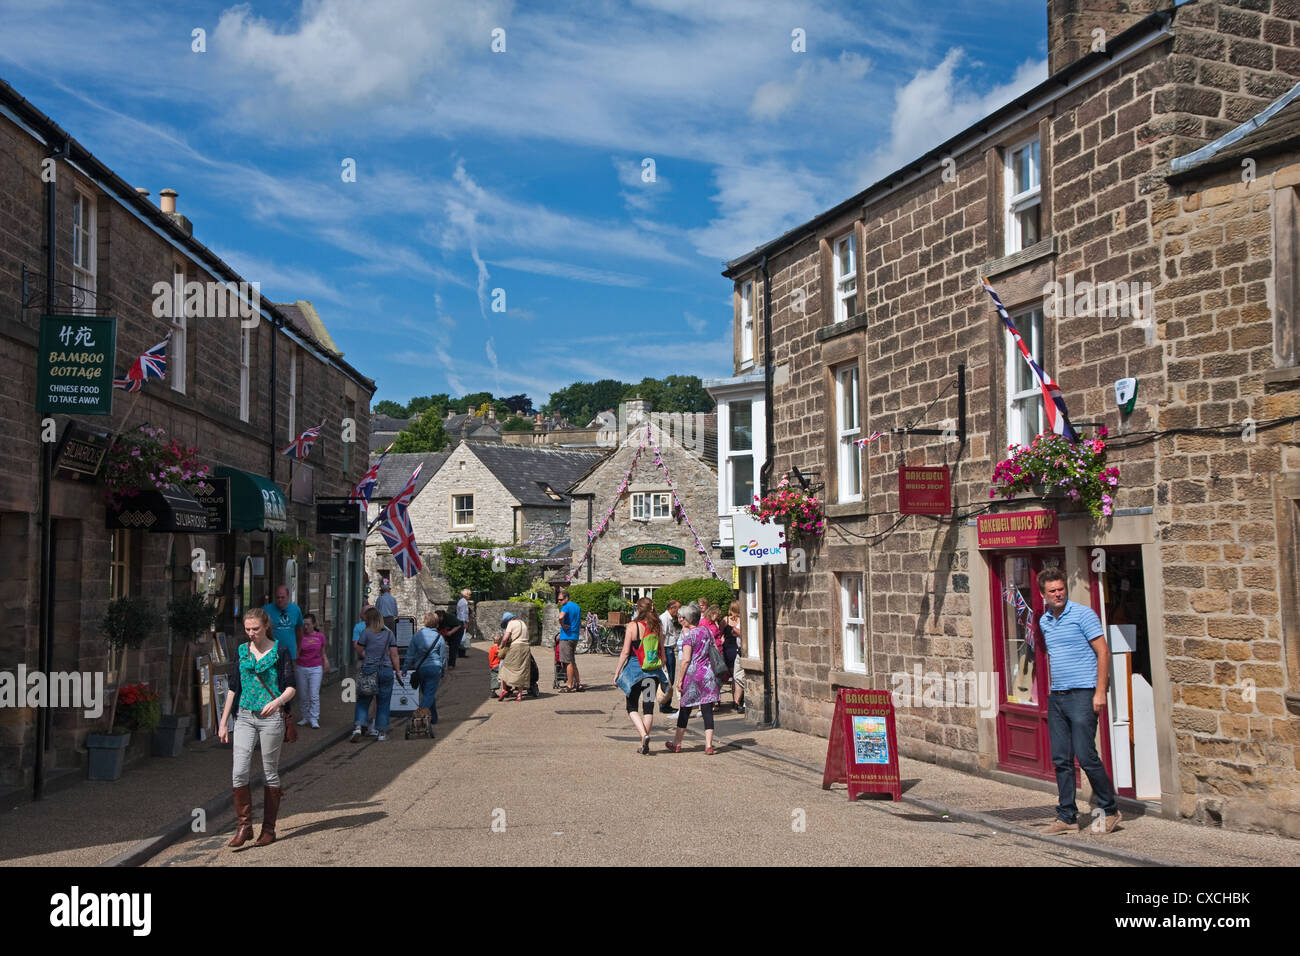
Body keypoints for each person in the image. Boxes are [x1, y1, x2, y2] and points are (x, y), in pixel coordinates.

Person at [1037, 568, 1121, 835]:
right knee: (1061, 759)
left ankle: (1110, 810)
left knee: (1086, 755)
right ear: (1043, 595)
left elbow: (1103, 652)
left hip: (1083, 693)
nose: (1058, 594)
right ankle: (1067, 817)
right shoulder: (1044, 621)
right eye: (1052, 591)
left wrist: (1100, 691)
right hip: (1058, 696)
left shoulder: (1083, 615)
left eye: (1061, 589)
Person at [219, 607, 296, 848]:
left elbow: (291, 686)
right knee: (239, 771)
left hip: (271, 719)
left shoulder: (280, 651)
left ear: (266, 627)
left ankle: (269, 829)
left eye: (255, 629)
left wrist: (277, 702)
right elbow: (233, 688)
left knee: (269, 771)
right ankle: (244, 826)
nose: (251, 633)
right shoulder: (242, 651)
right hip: (244, 716)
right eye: (247, 629)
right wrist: (223, 722)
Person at [665, 603, 720, 754]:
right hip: (708, 674)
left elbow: (686, 660)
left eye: (682, 617)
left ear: (688, 619)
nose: (680, 619)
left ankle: (677, 743)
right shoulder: (706, 631)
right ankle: (708, 745)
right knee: (707, 709)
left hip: (693, 676)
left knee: (685, 709)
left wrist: (679, 680)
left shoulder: (689, 636)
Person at [616, 597, 667, 754]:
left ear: (638, 609)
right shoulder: (657, 626)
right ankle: (643, 743)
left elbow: (625, 652)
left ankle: (644, 735)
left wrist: (617, 672)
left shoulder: (633, 626)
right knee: (648, 708)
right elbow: (663, 654)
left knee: (631, 707)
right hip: (652, 673)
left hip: (635, 673)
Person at [351, 607, 402, 742]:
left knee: (363, 700)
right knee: (383, 702)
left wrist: (368, 653)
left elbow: (359, 648)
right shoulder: (389, 634)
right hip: (386, 669)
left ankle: (358, 728)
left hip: (369, 669)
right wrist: (397, 671)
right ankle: (381, 732)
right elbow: (394, 654)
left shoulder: (366, 633)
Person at [404, 611, 448, 725]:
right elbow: (443, 656)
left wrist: (405, 669)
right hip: (435, 668)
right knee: (429, 694)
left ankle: (433, 718)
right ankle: (419, 714)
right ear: (437, 624)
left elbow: (410, 654)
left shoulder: (417, 636)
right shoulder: (439, 637)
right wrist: (443, 669)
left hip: (421, 668)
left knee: (427, 693)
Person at [295, 612, 331, 729]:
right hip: (302, 667)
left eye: (308, 624)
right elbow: (297, 652)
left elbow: (322, 651)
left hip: (316, 668)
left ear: (314, 624)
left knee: (314, 695)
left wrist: (325, 661)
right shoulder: (300, 636)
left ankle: (314, 718)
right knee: (303, 695)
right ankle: (305, 717)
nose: (306, 627)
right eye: (304, 624)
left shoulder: (320, 636)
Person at [496, 612, 532, 702]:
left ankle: (504, 690)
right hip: (526, 647)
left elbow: (505, 638)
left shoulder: (511, 623)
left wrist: (501, 646)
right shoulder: (523, 623)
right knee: (522, 670)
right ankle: (519, 695)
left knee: (505, 667)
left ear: (507, 620)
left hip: (516, 646)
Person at [263, 585, 304, 662]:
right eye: (278, 597)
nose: (280, 600)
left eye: (282, 597)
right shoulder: (266, 609)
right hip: (271, 653)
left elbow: (300, 631)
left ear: (288, 597)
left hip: (290, 653)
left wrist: (298, 649)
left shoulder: (295, 610)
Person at [556, 588, 584, 692]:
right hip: (574, 636)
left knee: (568, 662)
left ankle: (569, 685)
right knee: (572, 661)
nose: (559, 602)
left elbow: (560, 617)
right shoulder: (577, 607)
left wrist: (562, 625)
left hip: (566, 637)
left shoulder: (566, 607)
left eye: (561, 599)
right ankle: (579, 684)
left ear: (566, 598)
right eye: (558, 600)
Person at [658, 600, 681, 713]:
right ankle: (665, 704)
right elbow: (662, 636)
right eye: (678, 608)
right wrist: (663, 654)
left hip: (669, 649)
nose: (679, 611)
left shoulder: (669, 618)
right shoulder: (664, 618)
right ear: (672, 608)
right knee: (669, 678)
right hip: (667, 649)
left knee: (670, 677)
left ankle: (666, 703)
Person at [723, 601, 744, 712]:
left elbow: (720, 633)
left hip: (730, 649)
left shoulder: (726, 619)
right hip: (733, 649)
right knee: (736, 676)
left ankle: (736, 701)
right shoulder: (735, 619)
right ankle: (737, 701)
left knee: (736, 677)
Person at [455, 588, 473, 659]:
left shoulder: (463, 601)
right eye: (469, 594)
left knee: (463, 637)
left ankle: (461, 653)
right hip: (461, 621)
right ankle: (460, 653)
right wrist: (464, 622)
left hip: (461, 621)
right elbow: (462, 614)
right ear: (466, 595)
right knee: (462, 637)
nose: (470, 596)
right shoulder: (463, 602)